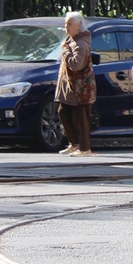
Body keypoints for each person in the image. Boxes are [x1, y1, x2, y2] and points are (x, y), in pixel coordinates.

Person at [55, 11, 97, 157]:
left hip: (81, 88)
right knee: (63, 112)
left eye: (69, 24)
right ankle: (74, 144)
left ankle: (85, 149)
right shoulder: (71, 40)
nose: (66, 26)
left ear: (79, 26)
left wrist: (65, 52)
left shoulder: (81, 44)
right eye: (66, 23)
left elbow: (76, 65)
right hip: (70, 87)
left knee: (81, 118)